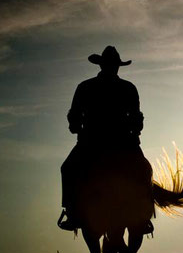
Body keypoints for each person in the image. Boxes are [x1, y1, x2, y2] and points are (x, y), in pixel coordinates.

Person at [57, 46, 145, 231]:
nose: (113, 68)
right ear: (103, 65)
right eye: (111, 65)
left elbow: (74, 115)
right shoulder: (126, 88)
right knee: (67, 168)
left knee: (68, 168)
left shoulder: (86, 87)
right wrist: (135, 130)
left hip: (94, 141)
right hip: (116, 142)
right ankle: (142, 216)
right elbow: (136, 117)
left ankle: (72, 213)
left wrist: (75, 126)